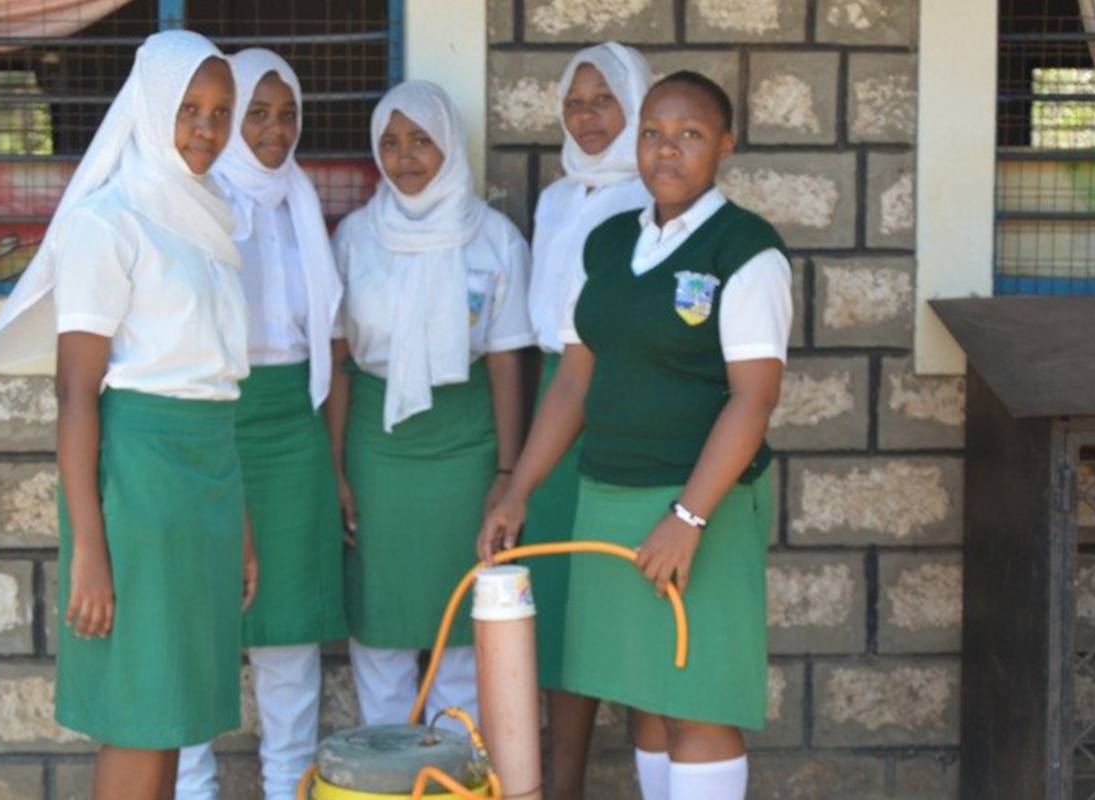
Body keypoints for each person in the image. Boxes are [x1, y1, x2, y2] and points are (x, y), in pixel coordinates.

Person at [479, 71, 791, 800]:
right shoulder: (610, 242)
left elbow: (754, 400)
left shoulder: (745, 248)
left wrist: (687, 518)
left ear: (725, 145)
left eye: (688, 134)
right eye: (652, 133)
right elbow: (572, 383)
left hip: (699, 507)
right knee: (644, 694)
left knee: (698, 698)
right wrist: (518, 489)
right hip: (607, 496)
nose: (666, 150)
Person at [0, 30, 257, 800]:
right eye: (188, 110)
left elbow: (212, 384)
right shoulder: (110, 222)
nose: (206, 130)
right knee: (139, 715)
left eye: (220, 112)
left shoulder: (211, 219)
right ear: (147, 107)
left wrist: (237, 522)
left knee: (173, 715)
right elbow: (76, 392)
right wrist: (90, 551)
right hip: (139, 484)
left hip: (206, 480)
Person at [330, 80, 533, 730]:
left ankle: (455, 769)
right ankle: (386, 770)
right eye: (390, 142)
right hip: (376, 444)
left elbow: (506, 360)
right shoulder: (356, 238)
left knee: (465, 622)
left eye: (421, 140)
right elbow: (338, 360)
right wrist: (335, 466)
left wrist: (506, 473)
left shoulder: (494, 238)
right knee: (381, 625)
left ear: (450, 144)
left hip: (466, 446)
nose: (405, 157)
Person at [174, 49, 345, 800]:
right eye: (257, 114)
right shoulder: (197, 203)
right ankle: (193, 788)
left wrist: (333, 461)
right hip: (213, 422)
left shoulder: (300, 203)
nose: (275, 132)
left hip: (294, 427)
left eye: (287, 114)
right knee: (199, 630)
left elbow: (328, 341)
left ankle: (289, 788)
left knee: (289, 633)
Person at [523, 41, 653, 800]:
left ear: (635, 105)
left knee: (625, 608)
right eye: (575, 100)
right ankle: (559, 786)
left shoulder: (651, 196)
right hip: (554, 400)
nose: (588, 115)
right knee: (560, 611)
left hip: (617, 406)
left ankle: (656, 782)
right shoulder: (556, 197)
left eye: (605, 99)